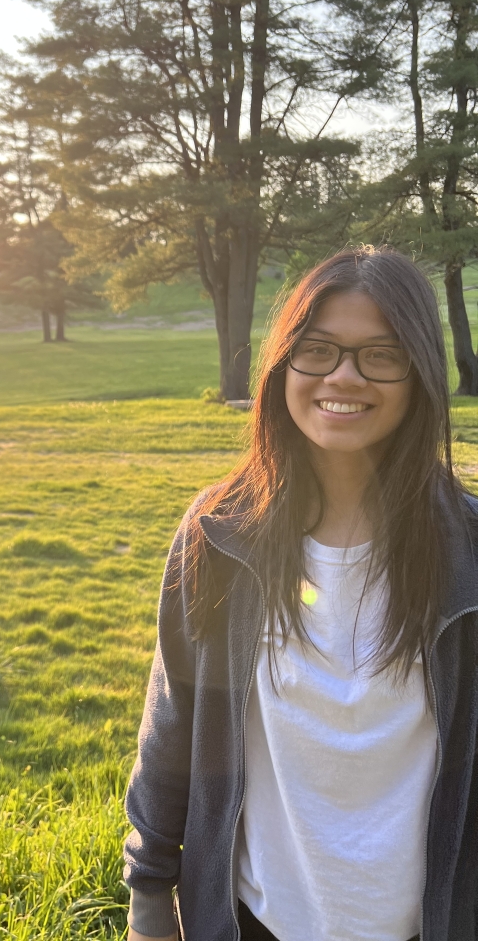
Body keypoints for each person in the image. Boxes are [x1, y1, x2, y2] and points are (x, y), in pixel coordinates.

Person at [123, 247, 478, 941]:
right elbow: (173, 730)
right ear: (283, 362)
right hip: (255, 920)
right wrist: (147, 897)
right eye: (317, 350)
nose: (343, 376)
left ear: (420, 376)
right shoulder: (221, 535)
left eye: (381, 354)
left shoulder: (469, 551)